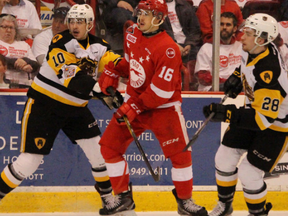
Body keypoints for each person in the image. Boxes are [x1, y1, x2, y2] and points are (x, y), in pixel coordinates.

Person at [0, 4, 123, 210]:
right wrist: (100, 91)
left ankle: (108, 199)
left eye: (80, 21)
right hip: (45, 105)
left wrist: (132, 74)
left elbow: (114, 64)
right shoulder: (60, 42)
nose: (74, 25)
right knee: (29, 162)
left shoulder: (99, 46)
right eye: (72, 21)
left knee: (98, 153)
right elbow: (71, 77)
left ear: (90, 24)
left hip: (75, 108)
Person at [97, 0, 208, 215]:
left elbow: (161, 91)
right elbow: (132, 64)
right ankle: (122, 197)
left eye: (147, 14)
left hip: (163, 109)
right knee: (109, 147)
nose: (141, 18)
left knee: (180, 156)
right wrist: (113, 69)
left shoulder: (168, 49)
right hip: (135, 104)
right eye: (140, 13)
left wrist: (133, 107)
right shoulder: (132, 33)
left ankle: (185, 201)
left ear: (159, 19)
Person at [202, 13, 288, 216]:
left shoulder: (269, 73)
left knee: (249, 173)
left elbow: (262, 120)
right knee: (223, 157)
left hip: (276, 126)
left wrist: (226, 113)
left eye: (247, 33)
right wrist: (237, 77)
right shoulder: (253, 48)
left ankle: (257, 213)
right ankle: (225, 205)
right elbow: (246, 67)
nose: (241, 36)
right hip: (254, 113)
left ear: (261, 39)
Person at [195, 12, 242, 91]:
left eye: (228, 25)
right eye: (221, 24)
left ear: (234, 28)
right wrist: (227, 83)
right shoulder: (206, 48)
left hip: (236, 88)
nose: (224, 27)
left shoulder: (241, 47)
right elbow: (203, 77)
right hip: (212, 89)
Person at [162, 0, 202, 90]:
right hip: (167, 45)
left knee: (198, 53)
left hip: (187, 44)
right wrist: (173, 44)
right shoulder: (156, 7)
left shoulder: (185, 5)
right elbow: (158, 31)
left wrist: (189, 44)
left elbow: (195, 29)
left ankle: (192, 88)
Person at [0, 14, 40, 88]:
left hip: (25, 84)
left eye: (11, 27)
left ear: (15, 30)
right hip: (4, 84)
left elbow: (35, 65)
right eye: (4, 27)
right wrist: (19, 63)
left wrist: (26, 61)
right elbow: (2, 61)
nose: (8, 30)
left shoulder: (24, 45)